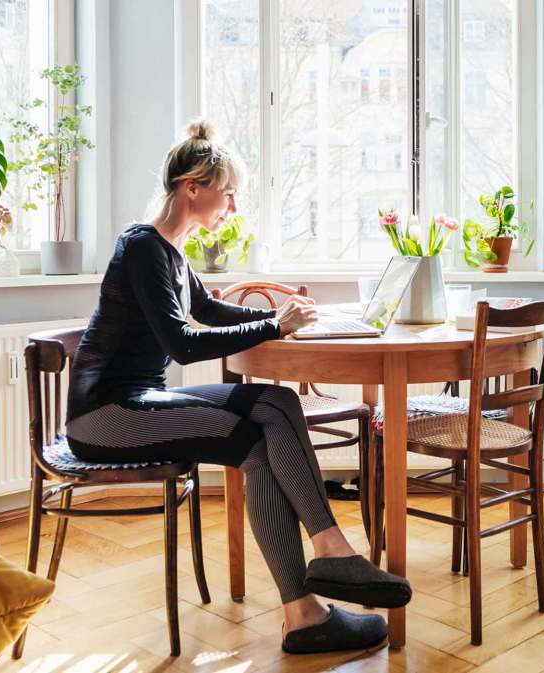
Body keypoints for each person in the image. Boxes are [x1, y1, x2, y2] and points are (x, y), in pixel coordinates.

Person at [65, 120, 410, 655]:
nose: (231, 207)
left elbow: (206, 309)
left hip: (138, 403)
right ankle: (331, 552)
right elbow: (182, 343)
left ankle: (305, 613)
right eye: (227, 194)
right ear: (193, 187)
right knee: (273, 404)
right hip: (106, 416)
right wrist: (275, 326)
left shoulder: (171, 253)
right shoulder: (141, 248)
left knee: (263, 433)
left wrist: (286, 316)